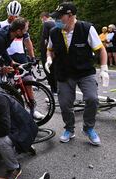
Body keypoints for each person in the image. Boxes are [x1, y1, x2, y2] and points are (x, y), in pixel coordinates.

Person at [45, 2, 109, 145]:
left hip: (84, 72)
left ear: (70, 16)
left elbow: (101, 49)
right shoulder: (54, 32)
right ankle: (69, 129)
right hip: (64, 73)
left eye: (59, 17)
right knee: (65, 104)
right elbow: (50, 49)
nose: (56, 20)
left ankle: (89, 128)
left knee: (92, 99)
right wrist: (49, 59)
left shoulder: (86, 29)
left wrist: (104, 68)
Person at [39, 12, 57, 95]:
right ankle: (58, 87)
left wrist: (43, 50)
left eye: (41, 18)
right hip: (57, 50)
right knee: (56, 68)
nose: (41, 20)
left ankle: (53, 89)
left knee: (48, 69)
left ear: (44, 17)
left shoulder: (46, 24)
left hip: (47, 50)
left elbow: (45, 38)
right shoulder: (56, 23)